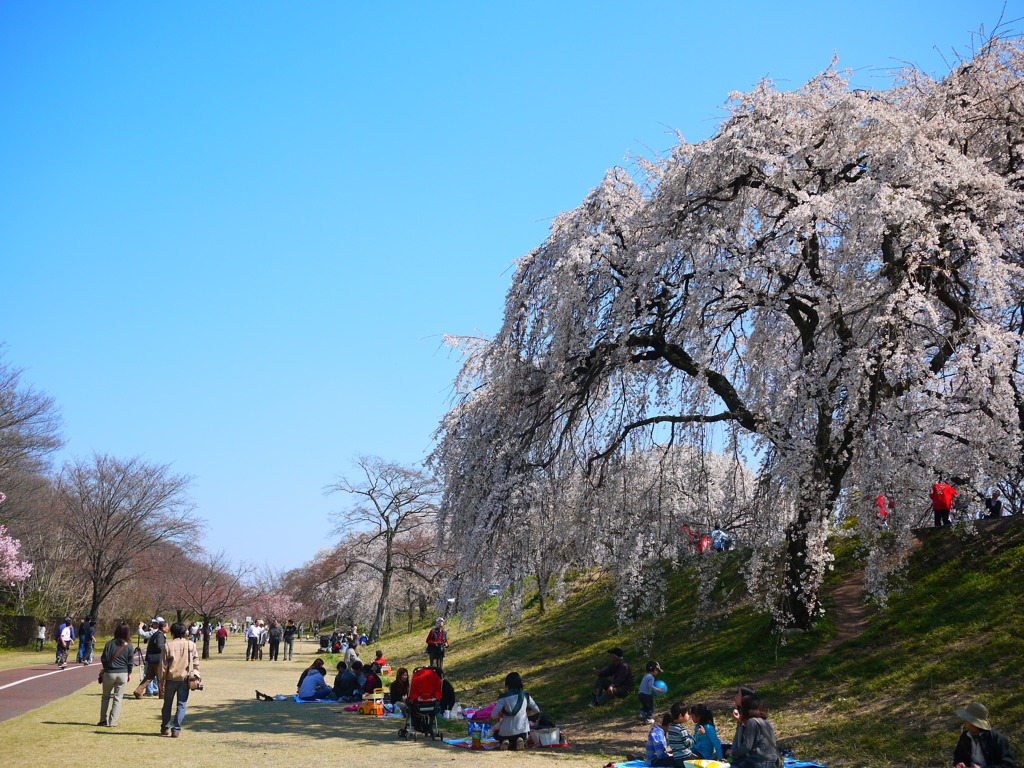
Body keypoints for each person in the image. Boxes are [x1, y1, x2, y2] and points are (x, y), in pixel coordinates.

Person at [158, 622, 200, 738]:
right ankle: (176, 729)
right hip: (185, 679)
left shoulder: (167, 646)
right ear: (185, 633)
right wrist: (196, 675)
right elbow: (196, 662)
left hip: (170, 679)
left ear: (172, 634)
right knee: (181, 705)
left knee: (167, 704)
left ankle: (165, 727)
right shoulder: (191, 645)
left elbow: (163, 666)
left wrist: (161, 680)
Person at [953, 701, 1015, 768]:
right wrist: (959, 762)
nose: (965, 721)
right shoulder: (965, 736)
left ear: (973, 723)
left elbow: (1007, 764)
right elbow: (958, 755)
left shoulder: (997, 739)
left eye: (967, 719)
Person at [490, 672, 540, 751]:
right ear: (520, 683)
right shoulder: (525, 695)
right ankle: (520, 740)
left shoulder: (503, 697)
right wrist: (527, 714)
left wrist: (501, 716)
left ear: (507, 684)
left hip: (506, 732)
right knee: (524, 734)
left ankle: (505, 741)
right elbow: (536, 710)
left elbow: (493, 715)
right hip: (522, 731)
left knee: (496, 734)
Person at [98, 621, 134, 727]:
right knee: (118, 698)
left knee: (105, 697)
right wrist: (129, 673)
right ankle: (113, 721)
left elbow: (104, 658)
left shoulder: (109, 644)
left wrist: (106, 668)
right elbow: (130, 662)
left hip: (109, 673)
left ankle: (103, 720)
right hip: (123, 673)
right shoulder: (129, 646)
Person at [731, 694, 780, 768]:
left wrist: (733, 753)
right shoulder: (765, 721)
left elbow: (747, 747)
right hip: (771, 761)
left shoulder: (752, 722)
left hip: (758, 762)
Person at [134, 619, 168, 699]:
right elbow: (160, 646)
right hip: (157, 660)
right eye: (167, 627)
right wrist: (166, 650)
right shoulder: (160, 635)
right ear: (163, 628)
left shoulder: (155, 633)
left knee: (149, 677)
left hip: (151, 659)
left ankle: (138, 691)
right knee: (161, 678)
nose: (168, 628)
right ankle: (162, 695)